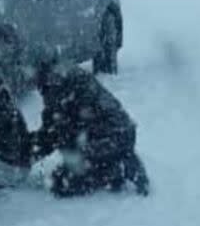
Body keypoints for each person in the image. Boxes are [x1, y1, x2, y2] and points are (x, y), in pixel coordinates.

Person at [25, 48, 150, 197]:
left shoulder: (59, 85)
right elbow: (52, 127)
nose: (31, 80)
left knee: (62, 184)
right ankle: (113, 161)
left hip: (111, 137)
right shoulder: (62, 79)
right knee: (65, 167)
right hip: (115, 134)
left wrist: (25, 154)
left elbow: (54, 132)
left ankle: (117, 168)